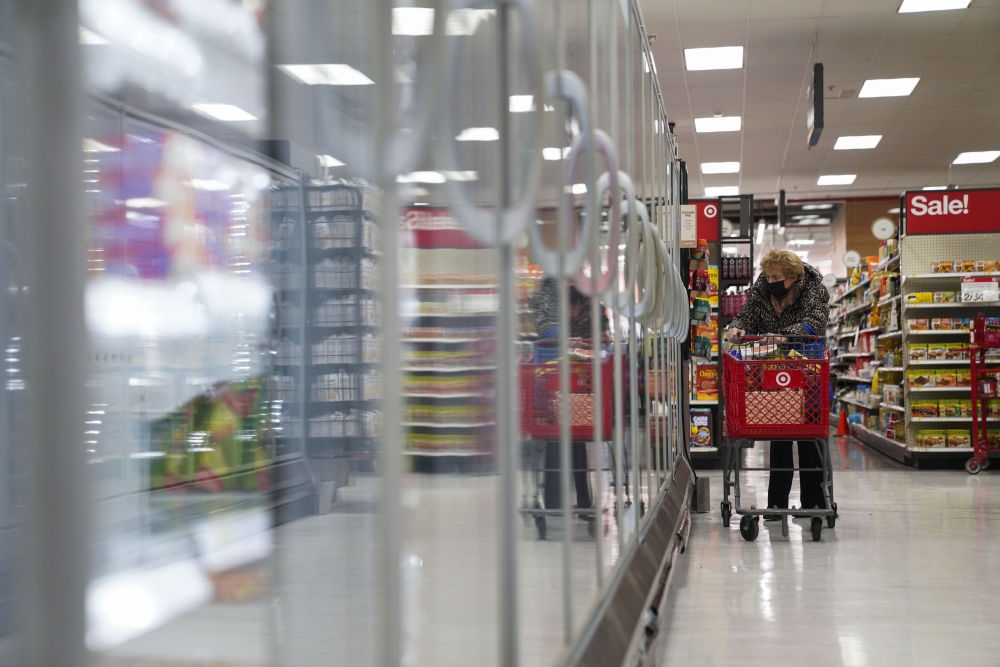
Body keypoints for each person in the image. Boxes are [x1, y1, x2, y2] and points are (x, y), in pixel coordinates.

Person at [724, 249, 830, 518]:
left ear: (793, 277)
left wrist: (785, 336)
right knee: (779, 433)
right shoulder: (761, 291)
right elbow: (746, 316)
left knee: (809, 436)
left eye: (776, 277)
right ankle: (775, 505)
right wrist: (736, 328)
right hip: (774, 369)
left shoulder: (814, 290)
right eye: (768, 276)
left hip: (808, 369)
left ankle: (814, 503)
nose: (770, 281)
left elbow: (816, 321)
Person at [528, 276, 609, 511]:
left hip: (577, 389)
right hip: (566, 389)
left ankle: (561, 499)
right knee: (569, 436)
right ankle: (575, 499)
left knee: (569, 435)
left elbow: (601, 342)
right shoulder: (553, 302)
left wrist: (580, 346)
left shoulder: (588, 311)